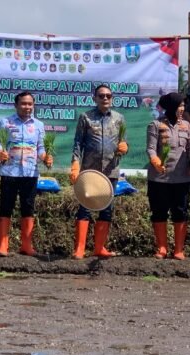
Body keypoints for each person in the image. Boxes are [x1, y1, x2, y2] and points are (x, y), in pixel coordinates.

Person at [70, 84, 128, 259]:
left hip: (110, 170)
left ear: (112, 98)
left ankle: (99, 248)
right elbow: (78, 143)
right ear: (94, 98)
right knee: (85, 208)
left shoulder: (119, 119)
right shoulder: (85, 117)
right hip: (90, 171)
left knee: (106, 209)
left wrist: (125, 147)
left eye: (108, 96)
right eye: (101, 95)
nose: (105, 98)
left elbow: (123, 141)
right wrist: (75, 164)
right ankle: (79, 249)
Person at [0, 92, 50, 257]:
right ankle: (3, 245)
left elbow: (41, 147)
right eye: (24, 104)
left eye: (30, 104)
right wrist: (0, 153)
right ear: (16, 105)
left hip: (30, 173)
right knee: (6, 207)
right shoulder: (6, 122)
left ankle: (26, 245)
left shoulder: (39, 125)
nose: (27, 107)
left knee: (28, 208)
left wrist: (45, 157)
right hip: (9, 172)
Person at [146, 92, 190, 260]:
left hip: (182, 178)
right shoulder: (155, 125)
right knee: (159, 212)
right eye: (180, 106)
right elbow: (151, 148)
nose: (182, 109)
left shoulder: (187, 126)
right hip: (159, 178)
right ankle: (162, 248)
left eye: (183, 105)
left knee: (180, 212)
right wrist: (155, 159)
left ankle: (179, 250)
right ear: (172, 107)